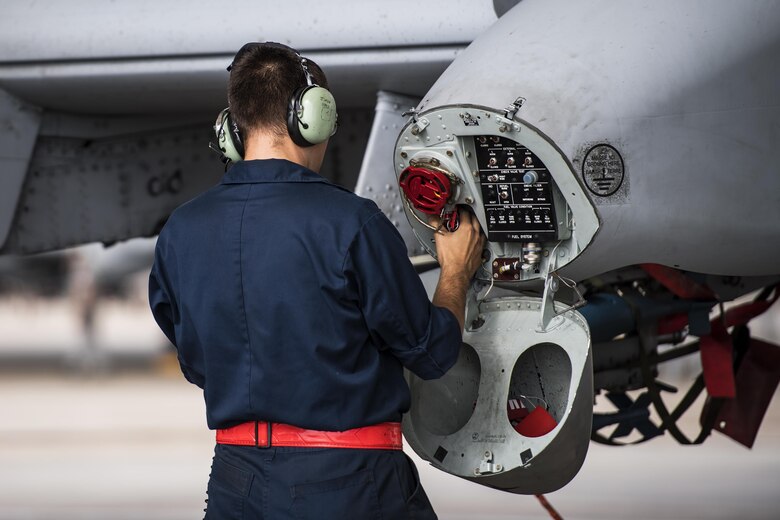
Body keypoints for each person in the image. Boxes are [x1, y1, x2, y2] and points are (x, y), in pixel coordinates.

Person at [148, 42, 484, 519]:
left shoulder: (180, 231)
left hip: (235, 478)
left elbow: (197, 362)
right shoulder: (353, 224)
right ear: (312, 117)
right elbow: (430, 353)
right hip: (346, 481)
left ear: (232, 129)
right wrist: (457, 272)